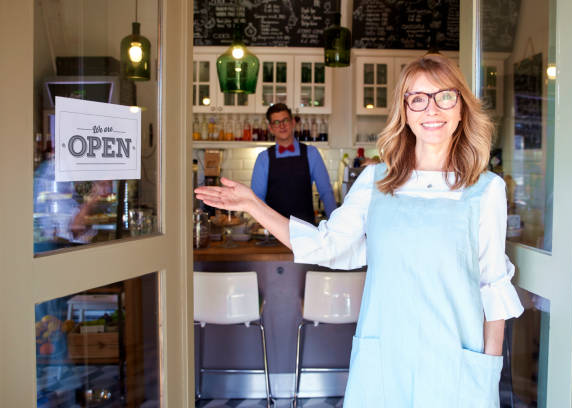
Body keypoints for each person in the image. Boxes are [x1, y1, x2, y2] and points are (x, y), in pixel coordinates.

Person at [195, 54, 524, 407]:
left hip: (456, 361)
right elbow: (325, 245)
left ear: (461, 107)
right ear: (405, 112)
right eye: (418, 99)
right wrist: (252, 205)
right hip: (384, 361)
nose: (431, 110)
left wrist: (487, 374)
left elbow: (493, 287)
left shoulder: (486, 189)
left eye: (444, 96)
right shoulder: (375, 182)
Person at [250, 103, 337, 224]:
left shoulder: (311, 153)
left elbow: (326, 192)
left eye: (285, 120)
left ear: (293, 123)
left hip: (306, 230)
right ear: (270, 128)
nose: (282, 125)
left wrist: (336, 224)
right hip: (275, 231)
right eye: (276, 122)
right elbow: (257, 199)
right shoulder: (263, 158)